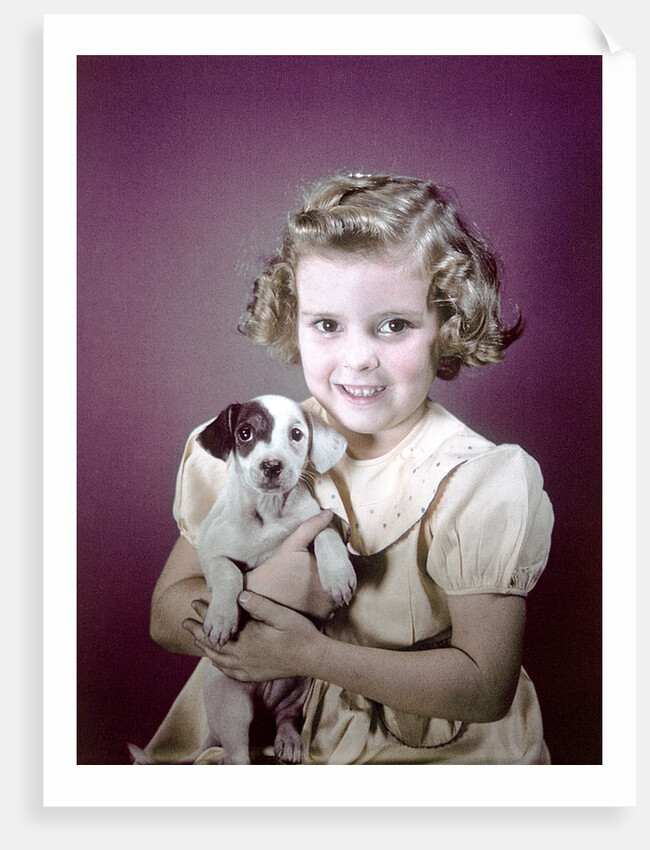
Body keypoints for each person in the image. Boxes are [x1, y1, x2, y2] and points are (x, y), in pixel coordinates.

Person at [141, 173, 554, 765]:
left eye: (394, 325)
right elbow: (164, 613)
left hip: (423, 750)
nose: (359, 358)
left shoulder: (479, 482)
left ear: (448, 323)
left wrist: (308, 655)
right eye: (327, 324)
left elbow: (486, 686)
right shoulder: (250, 453)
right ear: (294, 322)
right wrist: (251, 605)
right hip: (264, 728)